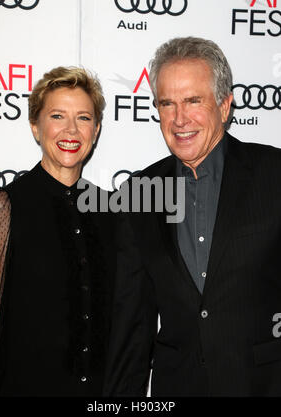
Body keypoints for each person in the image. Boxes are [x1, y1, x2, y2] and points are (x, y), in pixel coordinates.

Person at [103, 37, 281, 397]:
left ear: (225, 104)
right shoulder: (137, 193)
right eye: (167, 103)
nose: (179, 119)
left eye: (193, 101)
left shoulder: (274, 174)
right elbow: (132, 325)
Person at [0, 66, 115, 396]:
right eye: (57, 116)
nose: (71, 130)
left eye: (83, 118)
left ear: (96, 130)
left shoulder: (112, 211)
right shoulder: (5, 206)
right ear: (35, 127)